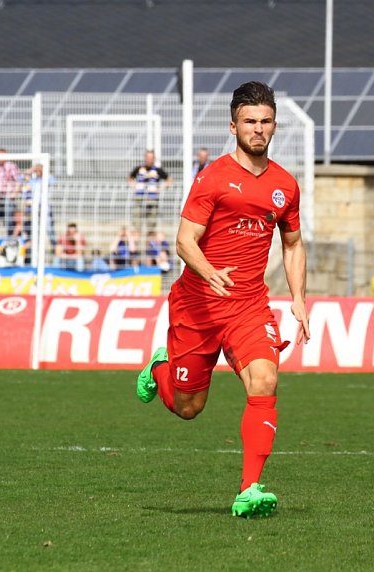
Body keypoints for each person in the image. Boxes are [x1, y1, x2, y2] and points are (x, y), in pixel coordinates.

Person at [136, 81, 310, 519]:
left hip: (248, 306)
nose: (258, 129)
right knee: (189, 408)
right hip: (197, 304)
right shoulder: (212, 177)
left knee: (265, 380)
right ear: (233, 126)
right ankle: (161, 367)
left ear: (274, 126)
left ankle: (250, 490)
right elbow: (184, 241)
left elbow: (292, 244)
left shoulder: (285, 186)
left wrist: (299, 298)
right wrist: (208, 270)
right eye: (249, 122)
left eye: (265, 121)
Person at [128, 150, 171, 231]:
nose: (149, 159)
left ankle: (149, 241)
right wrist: (135, 186)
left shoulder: (158, 170)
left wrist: (159, 188)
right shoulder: (139, 168)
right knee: (137, 224)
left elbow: (169, 180)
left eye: (151, 158)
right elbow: (129, 178)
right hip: (139, 198)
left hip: (152, 198)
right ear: (144, 158)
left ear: (154, 159)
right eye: (147, 157)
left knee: (151, 225)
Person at [0, 148, 21, 238]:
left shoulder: (11, 166)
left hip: (8, 197)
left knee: (9, 221)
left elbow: (18, 181)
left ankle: (9, 241)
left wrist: (13, 194)